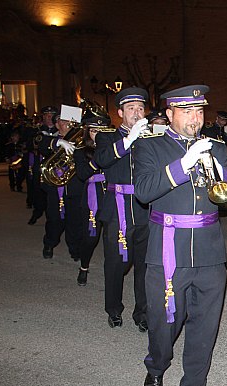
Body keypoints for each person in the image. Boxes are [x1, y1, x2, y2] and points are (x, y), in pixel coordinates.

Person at [134, 84, 227, 386]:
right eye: (187, 112)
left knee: (206, 323)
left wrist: (219, 168)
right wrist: (184, 165)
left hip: (209, 251)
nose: (196, 118)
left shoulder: (216, 147)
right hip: (168, 248)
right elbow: (143, 191)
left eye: (199, 112)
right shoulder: (151, 146)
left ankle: (194, 384)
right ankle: (156, 367)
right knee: (164, 321)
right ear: (169, 114)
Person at [94, 87, 150, 331]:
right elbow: (102, 160)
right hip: (117, 209)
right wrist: (129, 140)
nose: (136, 113)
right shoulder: (107, 137)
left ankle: (143, 312)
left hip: (145, 208)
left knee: (145, 265)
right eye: (130, 109)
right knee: (115, 264)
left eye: (140, 108)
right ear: (120, 113)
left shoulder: (151, 138)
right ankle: (114, 309)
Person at [38, 114, 85, 261]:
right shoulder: (50, 138)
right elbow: (38, 143)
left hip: (74, 187)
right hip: (54, 188)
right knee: (54, 219)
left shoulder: (81, 140)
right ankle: (49, 244)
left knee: (75, 221)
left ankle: (75, 249)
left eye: (73, 123)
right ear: (57, 124)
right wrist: (59, 142)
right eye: (65, 122)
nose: (69, 125)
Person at [73, 113, 111, 285]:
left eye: (101, 130)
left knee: (113, 237)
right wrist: (98, 158)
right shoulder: (81, 151)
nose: (97, 134)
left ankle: (112, 271)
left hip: (111, 195)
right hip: (92, 196)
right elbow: (82, 174)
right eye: (94, 130)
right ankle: (84, 267)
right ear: (87, 131)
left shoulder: (113, 149)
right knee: (90, 237)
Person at [27, 106, 59, 225]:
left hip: (56, 166)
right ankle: (38, 211)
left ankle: (54, 214)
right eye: (47, 115)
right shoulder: (36, 130)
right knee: (38, 190)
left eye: (51, 115)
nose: (49, 117)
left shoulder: (61, 129)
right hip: (40, 164)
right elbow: (30, 146)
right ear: (43, 117)